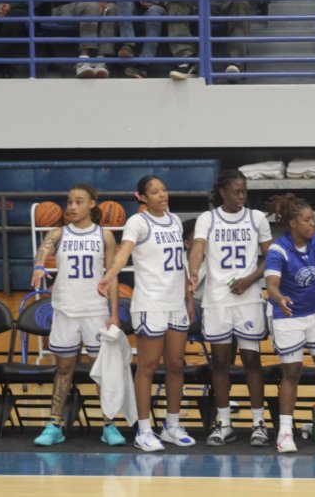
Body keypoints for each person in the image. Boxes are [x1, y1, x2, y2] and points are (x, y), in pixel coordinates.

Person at [98, 175, 196, 452]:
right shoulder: (137, 222)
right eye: (154, 192)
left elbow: (181, 263)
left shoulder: (174, 221)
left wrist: (188, 297)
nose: (162, 195)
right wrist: (109, 276)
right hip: (150, 303)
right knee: (148, 367)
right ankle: (143, 430)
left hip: (175, 303)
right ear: (141, 197)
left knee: (176, 365)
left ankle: (171, 426)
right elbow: (122, 254)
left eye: (163, 190)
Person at [31, 184, 124, 447]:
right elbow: (43, 249)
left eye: (79, 201)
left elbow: (112, 275)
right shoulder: (58, 233)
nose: (72, 206)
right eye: (69, 201)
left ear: (92, 204)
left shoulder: (105, 236)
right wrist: (39, 266)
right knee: (63, 370)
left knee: (102, 370)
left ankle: (109, 425)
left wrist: (114, 312)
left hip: (95, 311)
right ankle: (54, 425)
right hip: (66, 310)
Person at [187, 170, 273, 447]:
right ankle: (224, 423)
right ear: (222, 192)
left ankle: (259, 423)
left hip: (248, 299)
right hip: (217, 300)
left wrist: (251, 278)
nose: (241, 196)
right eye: (236, 191)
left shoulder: (257, 218)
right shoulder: (207, 219)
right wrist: (193, 270)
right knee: (221, 363)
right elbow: (198, 248)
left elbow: (271, 257)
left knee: (251, 361)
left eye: (244, 191)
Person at [264, 193, 315, 453]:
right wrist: (280, 298)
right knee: (292, 372)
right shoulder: (278, 250)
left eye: (313, 219)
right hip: (288, 314)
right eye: (307, 220)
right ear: (293, 223)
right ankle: (285, 431)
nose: (313, 224)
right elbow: (271, 284)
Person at [166, 0, 252, 80]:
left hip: (224, 0)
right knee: (176, 0)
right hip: (201, 1)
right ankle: (187, 61)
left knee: (241, 4)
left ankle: (235, 63)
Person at [51, 0, 115, 78]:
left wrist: (102, 2)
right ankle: (84, 59)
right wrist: (95, 2)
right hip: (64, 6)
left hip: (92, 4)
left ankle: (101, 60)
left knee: (112, 8)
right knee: (91, 6)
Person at [110, 0, 173, 79]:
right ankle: (128, 45)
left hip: (153, 6)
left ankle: (143, 64)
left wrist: (154, 1)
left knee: (155, 12)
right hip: (130, 6)